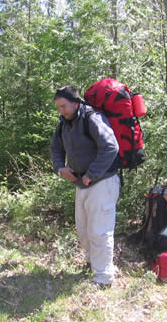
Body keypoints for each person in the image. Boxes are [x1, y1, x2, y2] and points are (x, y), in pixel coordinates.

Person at [50, 85, 120, 287]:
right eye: (58, 107)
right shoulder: (63, 124)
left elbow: (110, 147)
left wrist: (91, 174)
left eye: (64, 106)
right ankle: (92, 264)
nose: (61, 110)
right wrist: (60, 168)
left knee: (99, 230)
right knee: (83, 229)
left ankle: (104, 277)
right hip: (81, 183)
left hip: (103, 181)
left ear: (75, 102)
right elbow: (55, 148)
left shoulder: (92, 118)